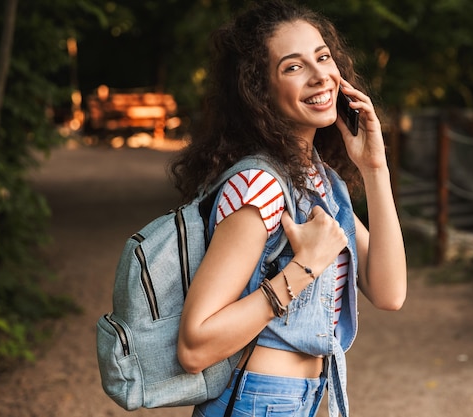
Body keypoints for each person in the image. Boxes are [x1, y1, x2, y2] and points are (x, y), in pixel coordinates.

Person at [168, 1, 407, 416]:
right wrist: (305, 265)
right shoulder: (259, 186)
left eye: (323, 57)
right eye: (293, 67)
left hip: (300, 398)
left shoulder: (318, 179)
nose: (320, 77)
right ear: (259, 91)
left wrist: (374, 169)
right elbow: (194, 345)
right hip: (260, 401)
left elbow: (389, 292)